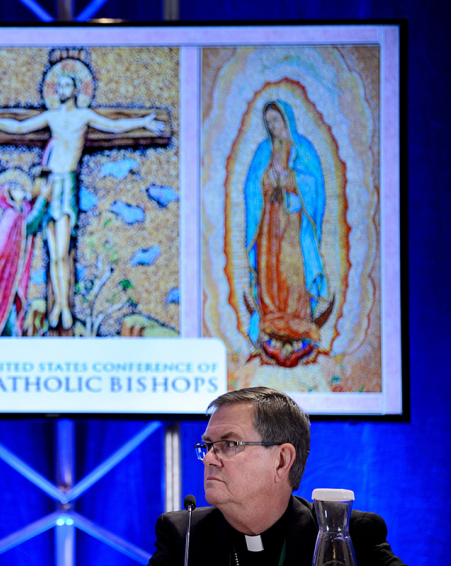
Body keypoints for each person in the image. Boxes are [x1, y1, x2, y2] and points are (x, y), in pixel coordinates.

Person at [0, 71, 164, 330]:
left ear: (76, 90)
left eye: (67, 86)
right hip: (50, 184)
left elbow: (114, 125)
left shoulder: (84, 116)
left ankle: (64, 306)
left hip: (66, 185)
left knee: (62, 252)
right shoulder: (51, 117)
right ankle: (57, 308)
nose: (62, 90)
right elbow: (19, 126)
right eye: (58, 86)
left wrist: (144, 122)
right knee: (53, 254)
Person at [147, 387, 405, 566]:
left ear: (281, 461)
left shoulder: (343, 534)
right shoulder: (183, 537)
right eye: (208, 445)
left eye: (229, 444)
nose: (209, 458)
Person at [244, 101, 328, 367]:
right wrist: (268, 180)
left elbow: (315, 184)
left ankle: (298, 316)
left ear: (286, 120)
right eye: (268, 122)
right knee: (270, 269)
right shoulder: (263, 151)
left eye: (276, 121)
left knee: (293, 269)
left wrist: (292, 179)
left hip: (293, 222)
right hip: (268, 223)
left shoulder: (302, 149)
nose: (272, 127)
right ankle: (271, 313)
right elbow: (252, 186)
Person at [0, 169, 49, 337]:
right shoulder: (10, 217)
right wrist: (44, 199)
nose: (21, 191)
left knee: (10, 311)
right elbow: (29, 225)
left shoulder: (16, 216)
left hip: (9, 277)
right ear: (8, 196)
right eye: (15, 189)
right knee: (5, 314)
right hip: (2, 279)